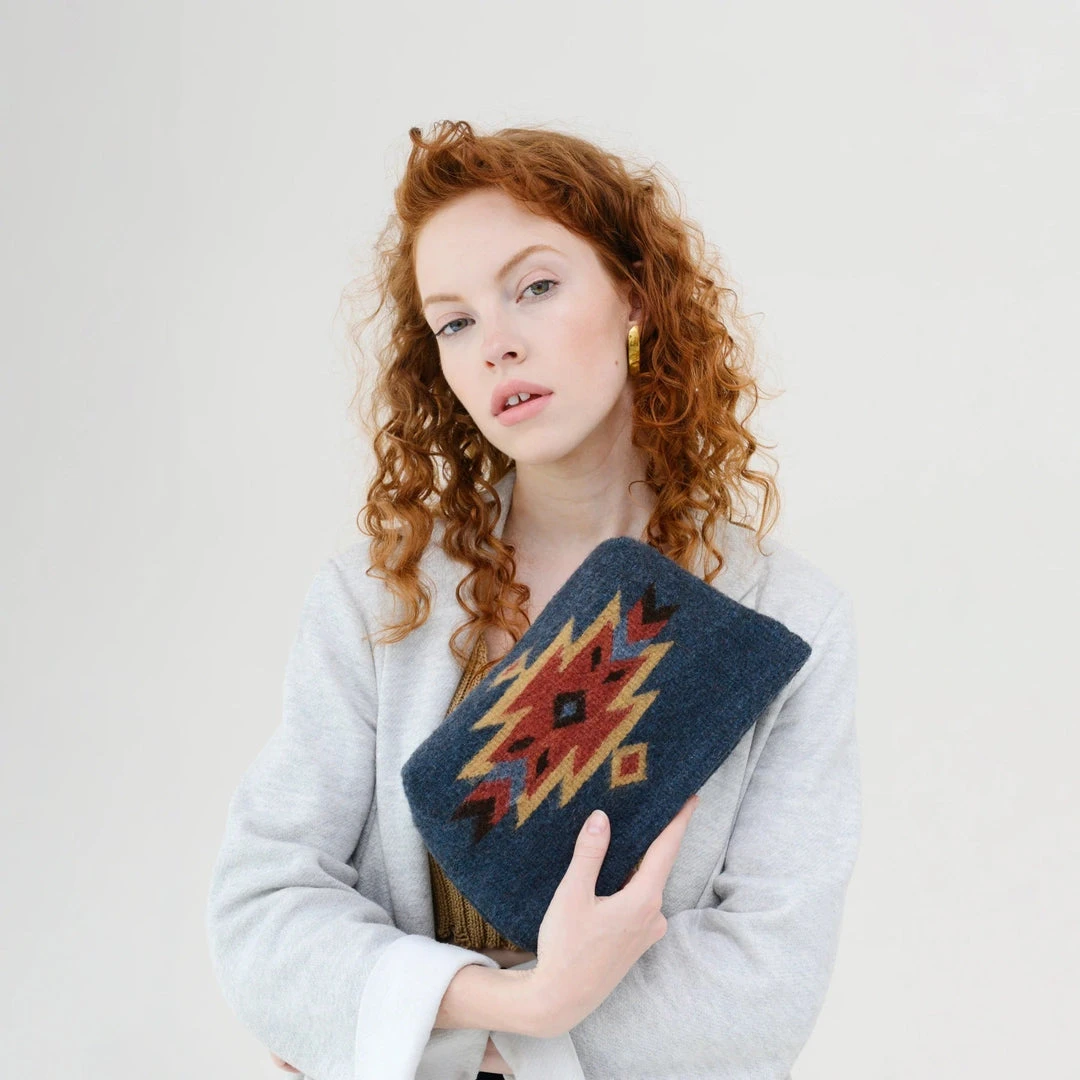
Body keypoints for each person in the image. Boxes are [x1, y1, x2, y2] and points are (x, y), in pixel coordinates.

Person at [205, 119, 862, 1080]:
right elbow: (262, 913)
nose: (496, 346)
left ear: (635, 295)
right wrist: (527, 1002)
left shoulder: (785, 619)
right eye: (455, 322)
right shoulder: (377, 598)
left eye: (536, 288)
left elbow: (761, 990)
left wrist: (391, 1020)